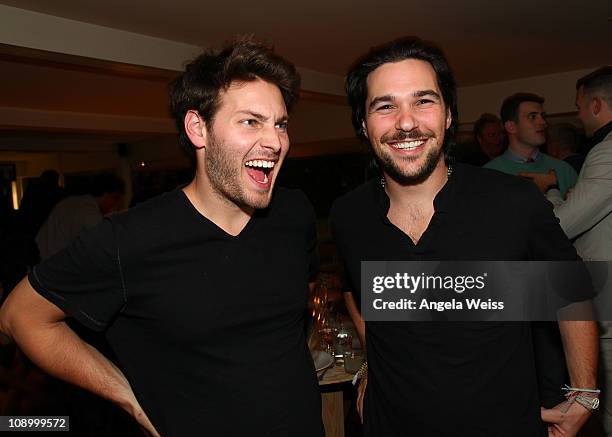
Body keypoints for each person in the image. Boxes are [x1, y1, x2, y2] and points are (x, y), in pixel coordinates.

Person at [0, 38, 324, 437]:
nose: (275, 141)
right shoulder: (128, 240)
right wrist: (129, 400)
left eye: (281, 123)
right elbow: (20, 316)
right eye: (251, 121)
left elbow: (294, 312)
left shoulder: (294, 213)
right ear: (198, 129)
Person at [330, 36, 598, 436]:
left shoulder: (512, 201)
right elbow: (356, 290)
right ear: (363, 124)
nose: (406, 122)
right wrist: (374, 362)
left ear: (449, 114)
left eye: (424, 101)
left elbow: (570, 291)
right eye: (385, 106)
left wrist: (585, 393)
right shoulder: (348, 214)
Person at [533, 66, 612, 435]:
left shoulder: (606, 152)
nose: (578, 115)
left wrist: (547, 189)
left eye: (580, 106)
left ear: (596, 104)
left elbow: (563, 224)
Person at [484, 93, 578, 197]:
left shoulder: (564, 170)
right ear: (511, 126)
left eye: (543, 116)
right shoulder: (489, 173)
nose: (543, 122)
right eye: (533, 116)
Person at [36, 173, 125, 261]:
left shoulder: (74, 202)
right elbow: (104, 243)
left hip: (43, 255)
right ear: (105, 194)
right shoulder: (88, 211)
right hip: (54, 260)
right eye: (115, 198)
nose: (115, 205)